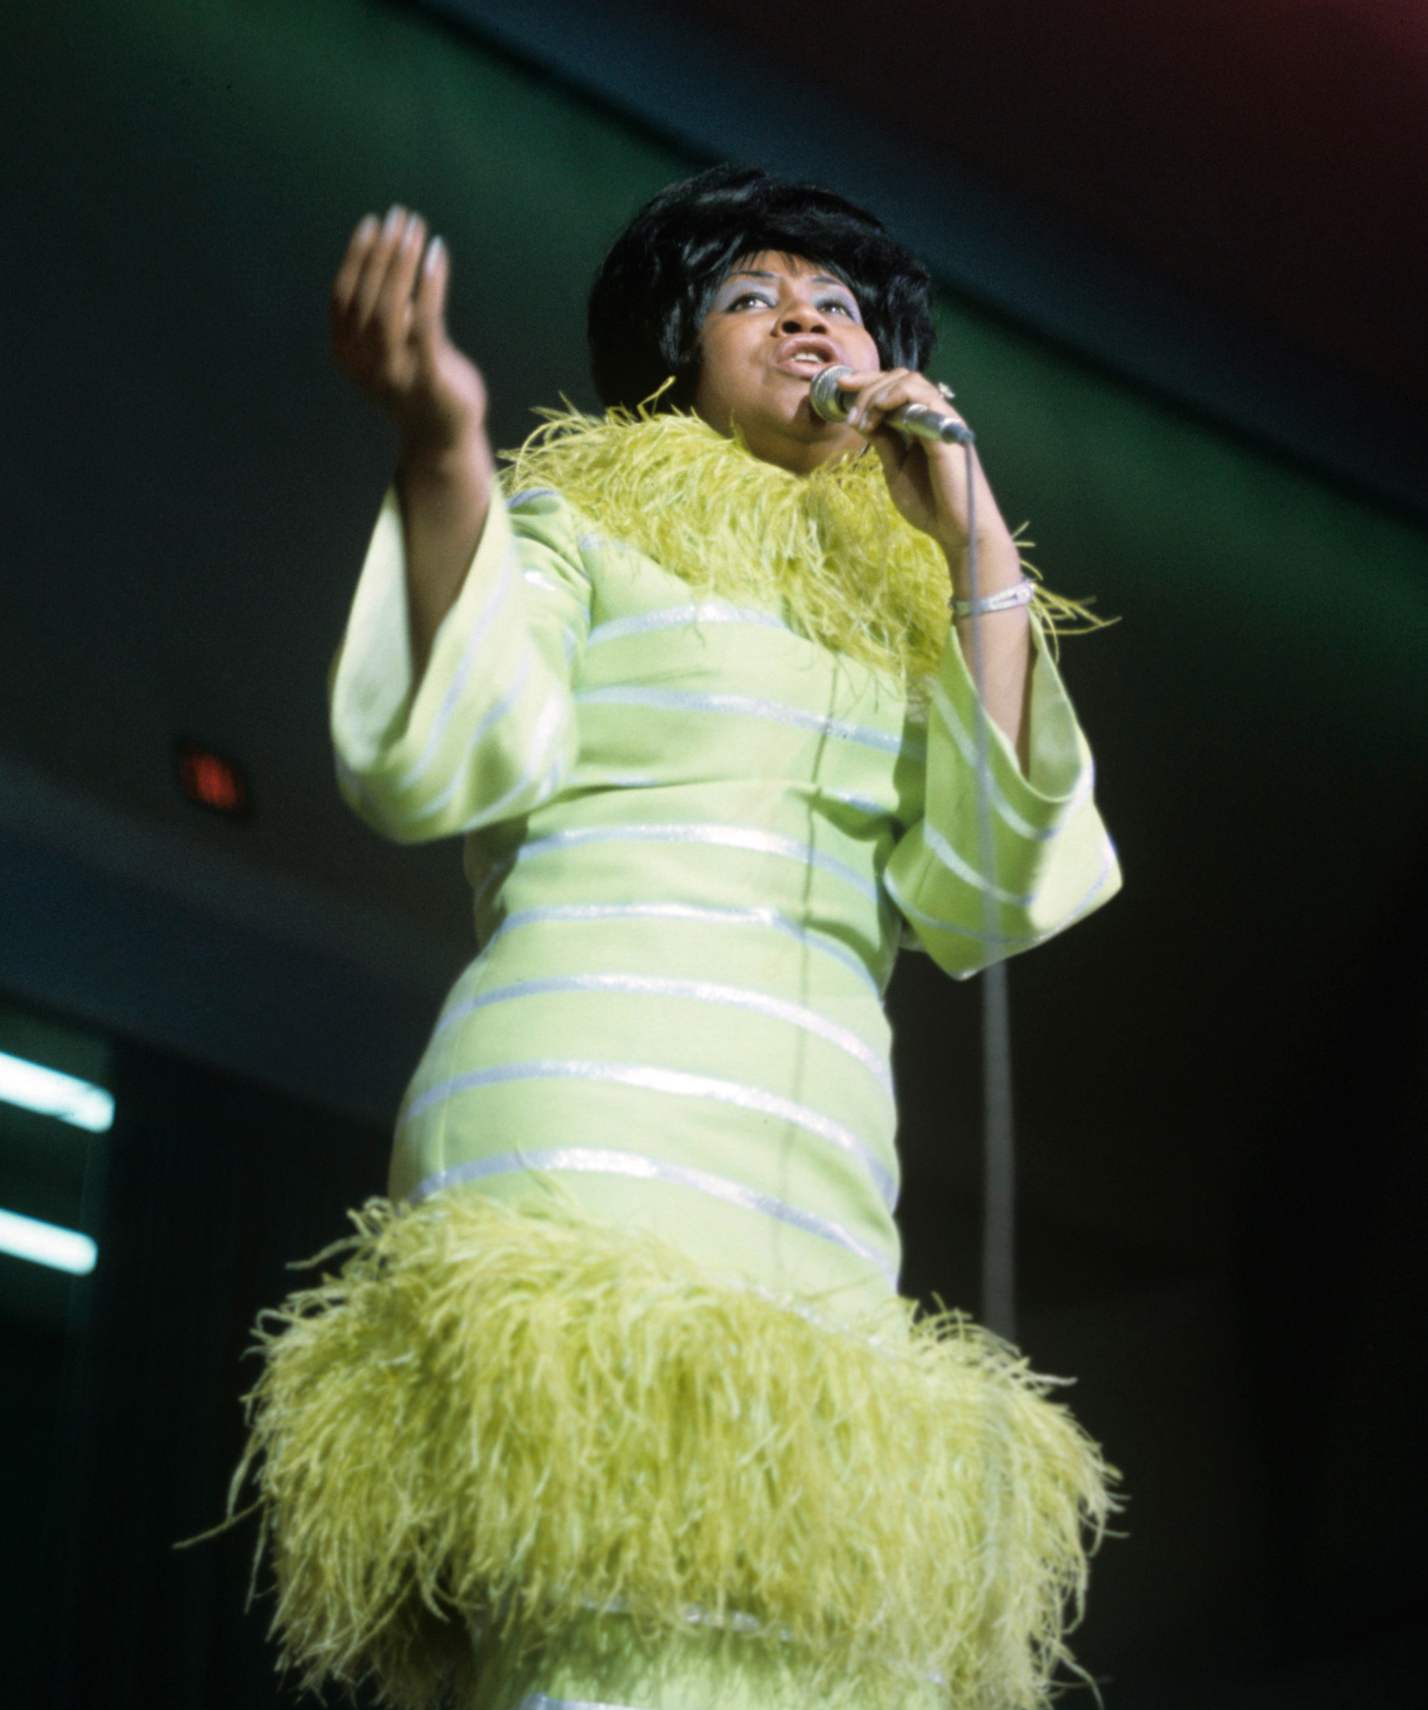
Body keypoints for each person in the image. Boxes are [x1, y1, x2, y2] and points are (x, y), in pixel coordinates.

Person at [241, 166, 1121, 1710]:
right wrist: (443, 443)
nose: (804, 320)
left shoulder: (908, 593)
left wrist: (974, 545)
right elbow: (450, 747)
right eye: (749, 296)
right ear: (677, 349)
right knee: (593, 1639)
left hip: (813, 1179)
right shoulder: (589, 516)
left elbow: (982, 886)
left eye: (836, 304)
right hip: (591, 1125)